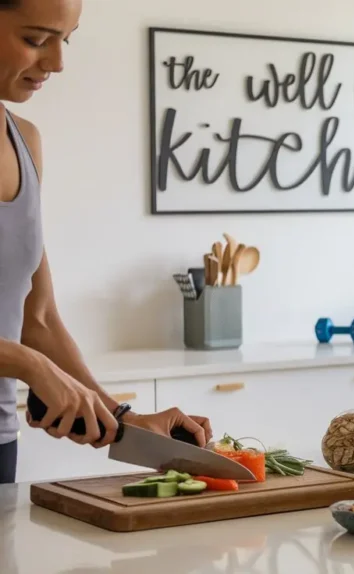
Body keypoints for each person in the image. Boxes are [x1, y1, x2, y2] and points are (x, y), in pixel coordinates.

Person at [0, 0, 213, 484]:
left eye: (65, 40)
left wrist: (118, 415)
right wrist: (25, 364)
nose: (56, 63)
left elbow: (38, 319)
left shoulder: (24, 141)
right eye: (35, 40)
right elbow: (28, 350)